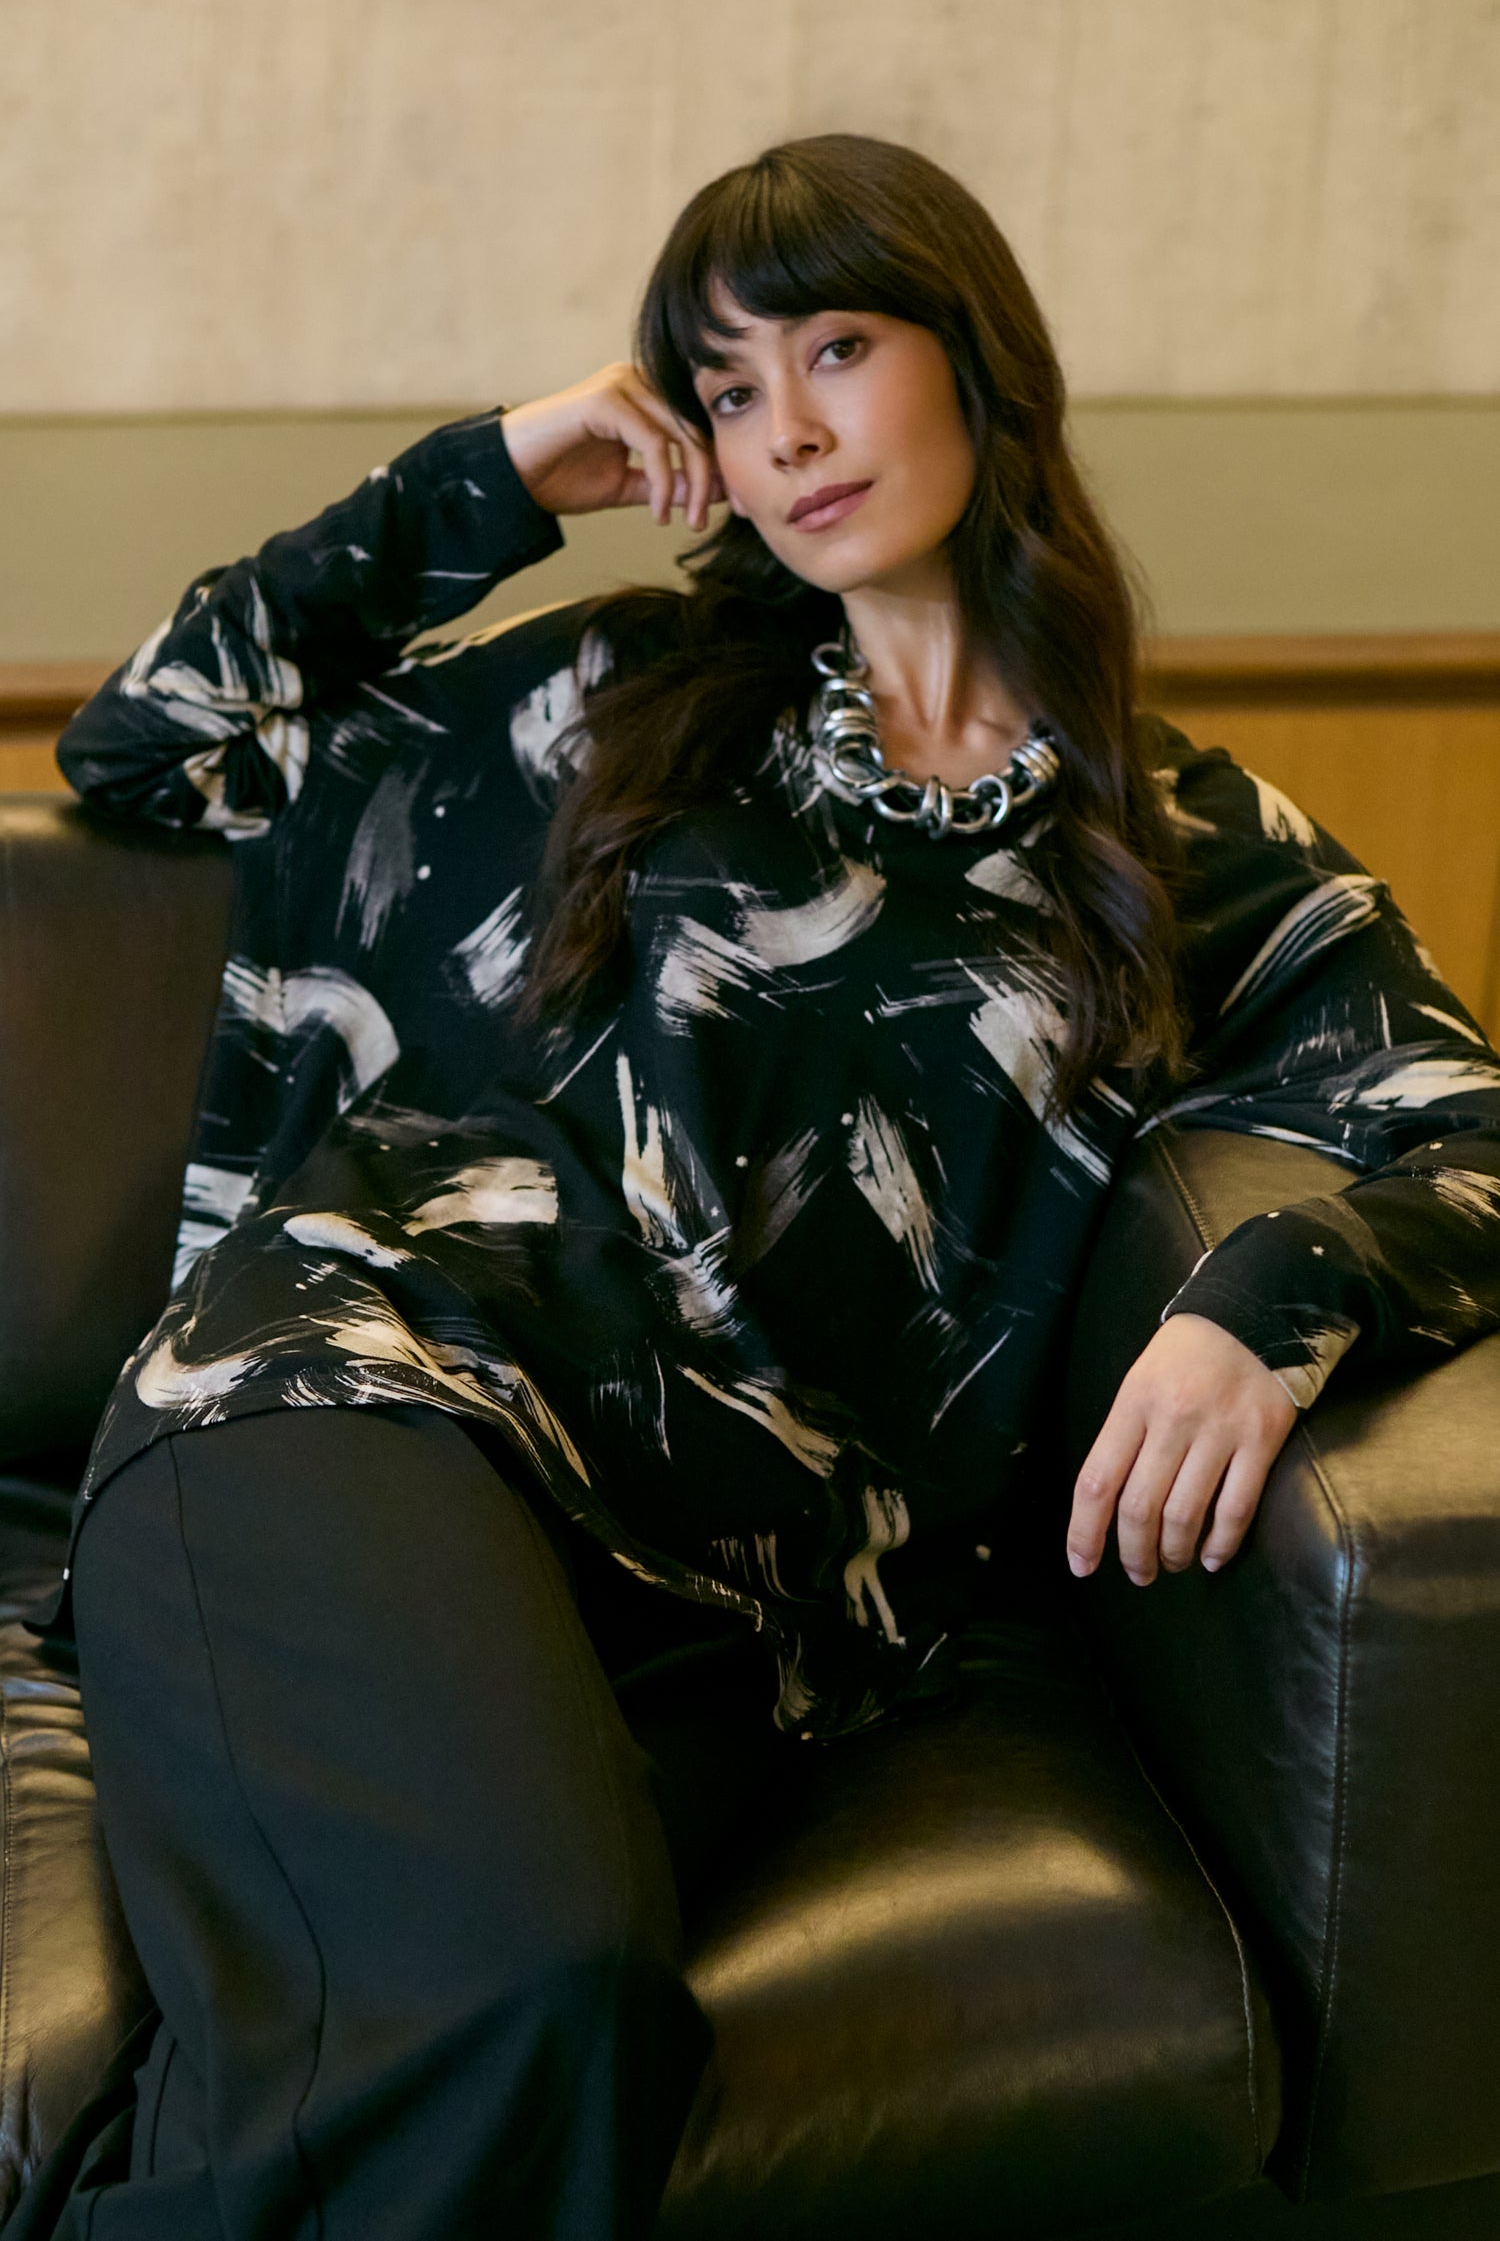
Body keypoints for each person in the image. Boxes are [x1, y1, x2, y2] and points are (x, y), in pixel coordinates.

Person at [19, 132, 1500, 2239]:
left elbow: (1467, 1122)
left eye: (836, 348)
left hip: (716, 1592)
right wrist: (500, 477)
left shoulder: (1176, 850)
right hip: (352, 1397)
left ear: (979, 363)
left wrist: (1270, 1297)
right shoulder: (623, 691)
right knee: (521, 1991)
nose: (784, 430)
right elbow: (147, 748)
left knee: (566, 2020)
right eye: (725, 389)